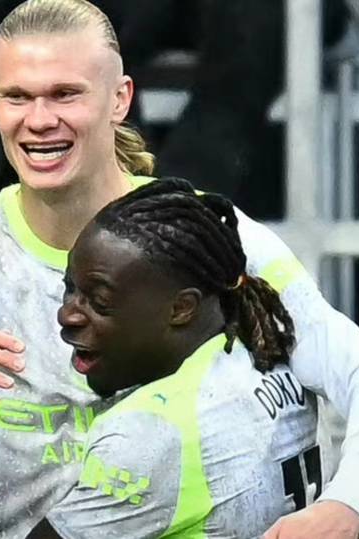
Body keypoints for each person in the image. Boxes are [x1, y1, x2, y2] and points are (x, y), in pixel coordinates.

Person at [0, 1, 359, 538]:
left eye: (65, 94)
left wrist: (344, 507)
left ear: (120, 99)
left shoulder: (213, 238)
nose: (40, 120)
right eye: (17, 97)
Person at [45, 178, 333, 537]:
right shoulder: (274, 354)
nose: (67, 315)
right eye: (69, 288)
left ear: (182, 308)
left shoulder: (151, 430)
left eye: (100, 301)